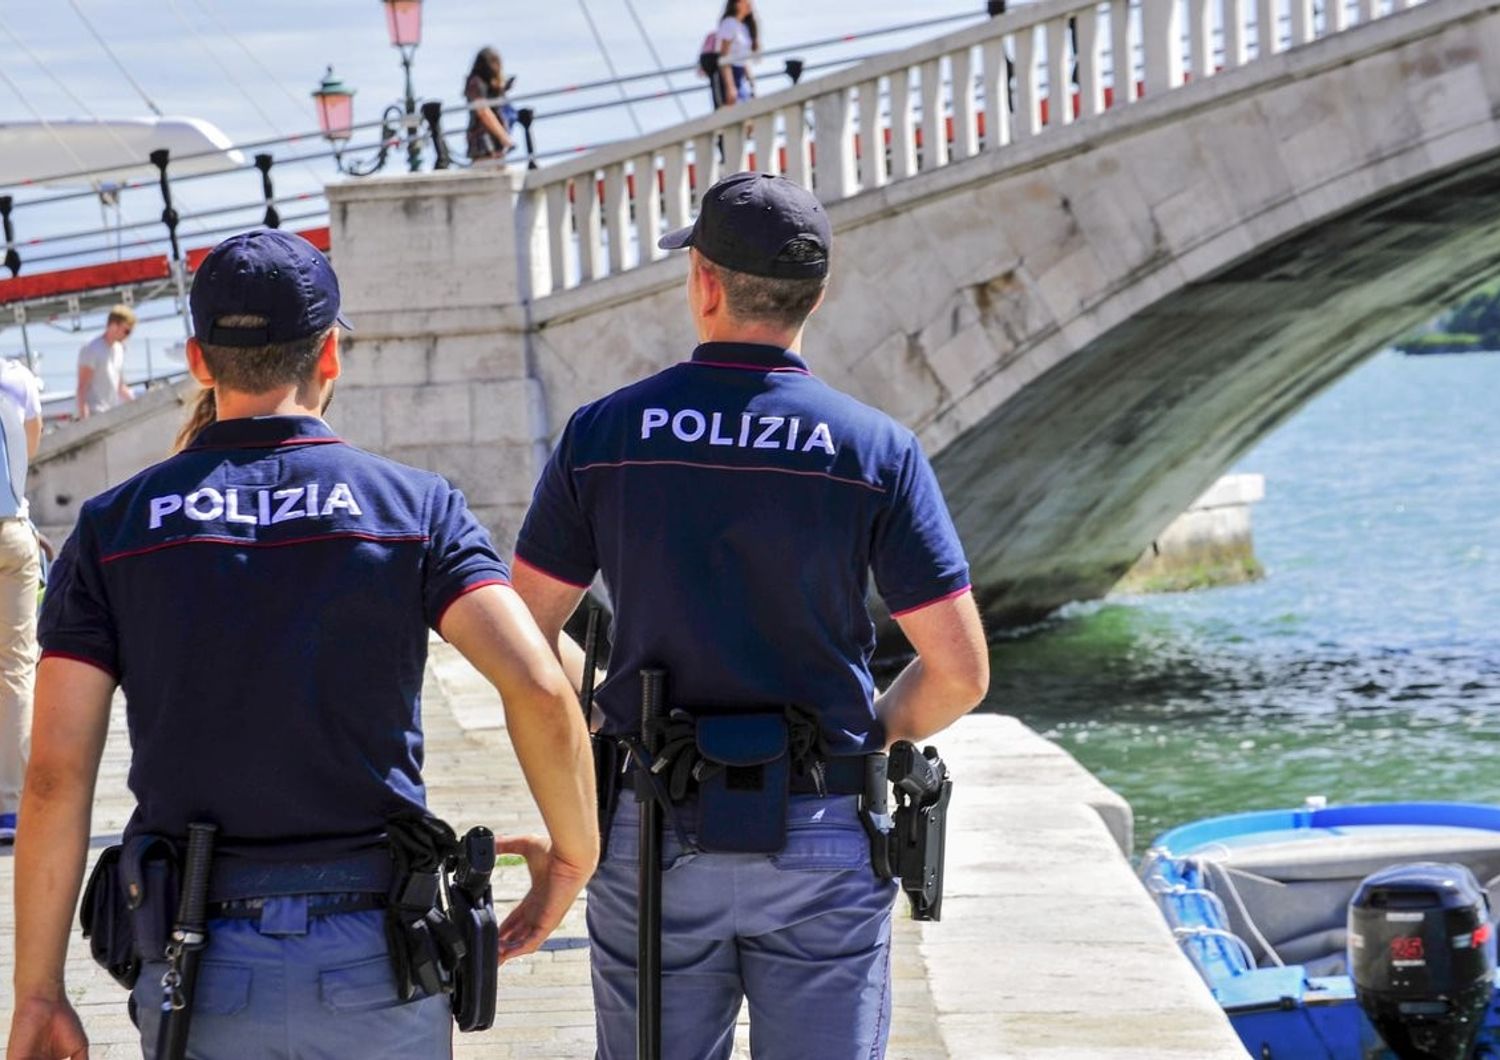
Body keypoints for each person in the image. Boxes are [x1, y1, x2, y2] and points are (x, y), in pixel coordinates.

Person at [7, 229, 599, 1060]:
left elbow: (56, 774)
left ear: (199, 362)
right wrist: (575, 852)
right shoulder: (413, 507)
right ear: (330, 357)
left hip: (201, 964)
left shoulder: (115, 527)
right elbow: (537, 685)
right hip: (375, 957)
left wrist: (38, 992)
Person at [512, 172, 990, 1060]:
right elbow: (961, 672)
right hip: (821, 822)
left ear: (704, 281)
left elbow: (521, 639)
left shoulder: (604, 435)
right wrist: (867, 736)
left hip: (648, 822)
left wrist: (596, 707)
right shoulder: (873, 449)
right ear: (818, 293)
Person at [0, 356, 41, 845]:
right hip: (12, 531)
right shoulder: (17, 378)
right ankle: (11, 806)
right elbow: (29, 451)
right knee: (15, 668)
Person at [76, 304, 136, 419]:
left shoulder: (119, 350)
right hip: (95, 414)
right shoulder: (91, 348)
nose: (128, 336)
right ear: (114, 325)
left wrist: (137, 404)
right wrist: (84, 418)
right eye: (126, 331)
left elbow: (120, 386)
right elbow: (82, 386)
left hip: (111, 412)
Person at [465, 46, 517, 163]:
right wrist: (504, 137)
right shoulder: (476, 82)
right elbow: (483, 111)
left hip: (494, 138)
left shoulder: (487, 83)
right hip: (483, 140)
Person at [713, 0, 759, 109]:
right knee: (734, 115)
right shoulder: (729, 23)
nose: (750, 3)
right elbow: (724, 56)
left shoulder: (744, 27)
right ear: (736, 3)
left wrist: (751, 83)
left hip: (741, 75)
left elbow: (743, 57)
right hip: (729, 75)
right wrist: (730, 86)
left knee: (750, 117)